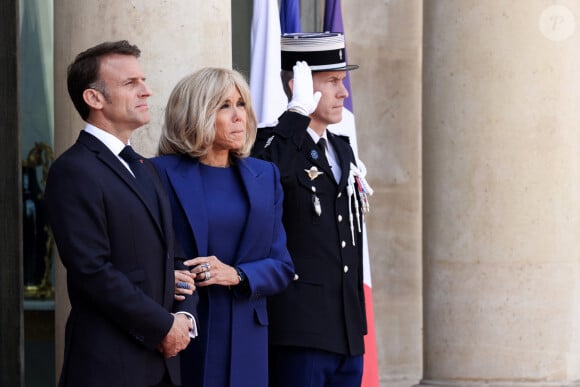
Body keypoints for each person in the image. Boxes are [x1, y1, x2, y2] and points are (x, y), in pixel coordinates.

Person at [45, 40, 197, 387]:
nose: (146, 90)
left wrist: (185, 317)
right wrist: (162, 326)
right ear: (94, 99)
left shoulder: (145, 168)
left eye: (142, 81)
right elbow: (92, 270)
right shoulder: (74, 170)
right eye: (131, 83)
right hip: (109, 366)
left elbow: (174, 256)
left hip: (163, 366)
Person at [152, 67, 295, 387]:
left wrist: (238, 274)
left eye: (241, 104)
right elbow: (144, 252)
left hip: (248, 337)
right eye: (224, 105)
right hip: (185, 331)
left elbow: (282, 266)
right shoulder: (158, 173)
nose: (238, 116)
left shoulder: (265, 176)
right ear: (196, 114)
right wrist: (163, 278)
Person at [252, 32, 373, 387]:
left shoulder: (341, 148)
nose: (343, 92)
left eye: (343, 80)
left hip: (346, 332)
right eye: (332, 81)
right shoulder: (274, 143)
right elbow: (263, 179)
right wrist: (297, 116)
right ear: (297, 85)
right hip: (300, 331)